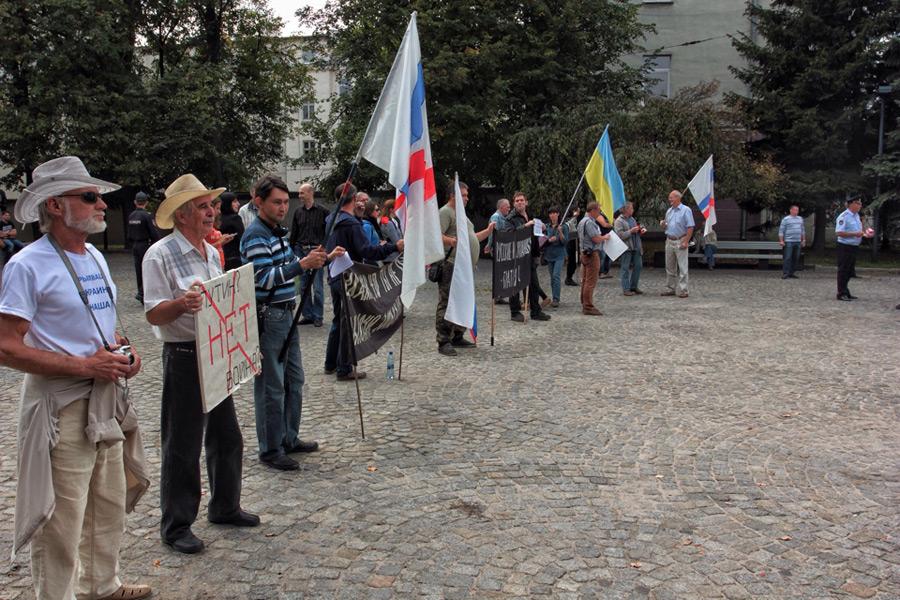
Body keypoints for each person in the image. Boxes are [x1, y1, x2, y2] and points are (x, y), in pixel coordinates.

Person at [0, 156, 150, 600]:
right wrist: (86, 366)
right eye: (89, 197)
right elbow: (6, 347)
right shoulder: (28, 265)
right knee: (61, 519)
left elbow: (95, 328)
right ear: (55, 206)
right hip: (61, 405)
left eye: (98, 196)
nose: (102, 204)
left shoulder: (96, 257)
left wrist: (122, 350)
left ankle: (100, 585)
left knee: (107, 502)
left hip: (103, 396)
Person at [143, 173, 259, 555]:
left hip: (215, 353)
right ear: (181, 215)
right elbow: (154, 313)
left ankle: (225, 506)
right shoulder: (159, 254)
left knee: (227, 436)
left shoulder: (210, 251)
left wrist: (242, 348)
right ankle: (176, 525)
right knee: (182, 443)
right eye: (203, 207)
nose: (212, 212)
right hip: (183, 355)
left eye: (212, 206)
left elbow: (223, 305)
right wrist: (182, 304)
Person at [242, 174, 341, 471]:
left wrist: (319, 259)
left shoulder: (277, 233)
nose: (283, 207)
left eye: (286, 202)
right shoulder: (256, 235)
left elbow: (288, 266)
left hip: (287, 314)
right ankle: (271, 449)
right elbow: (263, 278)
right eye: (277, 202)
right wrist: (301, 265)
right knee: (271, 386)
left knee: (293, 381)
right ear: (259, 202)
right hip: (269, 316)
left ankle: (289, 437)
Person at [325, 183, 403, 380]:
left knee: (339, 320)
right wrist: (394, 247)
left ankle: (331, 363)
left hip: (334, 275)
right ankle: (344, 368)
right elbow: (367, 251)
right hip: (348, 277)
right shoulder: (351, 224)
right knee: (348, 323)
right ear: (353, 199)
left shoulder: (332, 219)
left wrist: (358, 216)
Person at [436, 181, 495, 356]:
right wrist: (451, 241)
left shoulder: (462, 215)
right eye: (463, 195)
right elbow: (436, 235)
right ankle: (443, 340)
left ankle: (458, 335)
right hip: (451, 264)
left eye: (467, 195)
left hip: (464, 267)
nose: (467, 198)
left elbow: (471, 237)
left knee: (462, 300)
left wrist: (488, 231)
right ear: (452, 195)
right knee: (447, 302)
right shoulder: (445, 212)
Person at [500, 191, 551, 322]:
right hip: (516, 256)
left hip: (530, 254)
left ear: (526, 202)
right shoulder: (510, 219)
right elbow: (509, 234)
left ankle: (535, 311)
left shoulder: (531, 215)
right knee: (515, 285)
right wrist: (525, 226)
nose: (519, 202)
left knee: (534, 284)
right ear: (513, 204)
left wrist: (542, 228)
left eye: (522, 200)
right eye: (517, 201)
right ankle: (515, 312)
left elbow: (536, 233)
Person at [289, 182, 329, 327]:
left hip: (317, 250)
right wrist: (292, 251)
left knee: (317, 286)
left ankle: (318, 316)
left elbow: (329, 231)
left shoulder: (323, 211)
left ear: (311, 193)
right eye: (299, 193)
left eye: (302, 192)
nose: (299, 195)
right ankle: (308, 315)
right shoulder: (298, 212)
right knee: (304, 286)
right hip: (301, 250)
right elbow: (294, 232)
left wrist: (324, 247)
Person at [126, 191, 160, 302]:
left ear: (135, 202)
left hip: (135, 245)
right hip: (145, 245)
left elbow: (129, 234)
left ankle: (141, 292)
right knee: (147, 269)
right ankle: (143, 293)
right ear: (146, 202)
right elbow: (153, 233)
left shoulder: (131, 216)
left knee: (138, 270)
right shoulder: (147, 216)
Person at [835, 196, 871, 301]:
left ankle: (846, 291)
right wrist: (855, 234)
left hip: (854, 246)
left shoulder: (856, 216)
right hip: (845, 246)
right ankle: (841, 293)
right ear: (851, 204)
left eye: (860, 204)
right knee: (843, 270)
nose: (860, 206)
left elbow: (858, 230)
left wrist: (865, 234)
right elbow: (839, 232)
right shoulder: (844, 216)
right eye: (857, 203)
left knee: (849, 271)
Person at [660, 190, 694, 298]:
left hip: (680, 240)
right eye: (669, 197)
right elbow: (666, 226)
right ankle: (671, 288)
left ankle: (684, 290)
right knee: (670, 267)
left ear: (678, 198)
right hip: (669, 240)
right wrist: (663, 224)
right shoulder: (669, 211)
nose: (669, 199)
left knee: (682, 267)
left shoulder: (686, 210)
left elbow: (690, 227)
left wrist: (686, 241)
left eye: (671, 197)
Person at [578, 202, 610, 315]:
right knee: (590, 281)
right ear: (593, 210)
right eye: (599, 211)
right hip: (591, 254)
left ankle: (584, 303)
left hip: (584, 253)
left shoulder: (582, 221)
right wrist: (605, 237)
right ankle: (588, 306)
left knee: (585, 280)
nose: (599, 213)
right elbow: (595, 238)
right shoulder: (590, 222)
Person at [614, 201, 644, 296]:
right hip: (626, 248)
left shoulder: (632, 219)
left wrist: (640, 230)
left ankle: (633, 286)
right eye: (631, 208)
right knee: (625, 268)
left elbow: (635, 231)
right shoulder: (619, 221)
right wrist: (631, 231)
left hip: (636, 246)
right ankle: (626, 288)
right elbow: (619, 235)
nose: (633, 210)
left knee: (638, 266)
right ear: (626, 209)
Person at [543, 206, 568, 307]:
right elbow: (543, 240)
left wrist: (560, 232)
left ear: (558, 214)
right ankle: (554, 296)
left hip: (559, 255)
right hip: (549, 254)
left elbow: (565, 242)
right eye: (551, 213)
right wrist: (549, 240)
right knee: (552, 278)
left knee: (556, 276)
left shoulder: (564, 226)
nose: (552, 215)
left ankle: (556, 299)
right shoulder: (547, 226)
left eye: (554, 213)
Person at [488, 198, 510, 303]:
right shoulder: (496, 217)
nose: (509, 209)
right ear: (501, 207)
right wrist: (489, 245)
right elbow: (492, 233)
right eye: (507, 206)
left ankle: (499, 295)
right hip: (497, 249)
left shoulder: (502, 217)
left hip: (501, 249)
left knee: (501, 272)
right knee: (498, 272)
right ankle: (497, 296)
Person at [205, 196, 235, 268]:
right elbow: (204, 250)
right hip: (212, 266)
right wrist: (220, 242)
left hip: (220, 264)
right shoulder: (205, 228)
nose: (219, 212)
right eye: (217, 208)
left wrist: (223, 240)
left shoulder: (214, 226)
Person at [219, 191, 245, 271]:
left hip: (220, 259)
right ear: (228, 203)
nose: (238, 204)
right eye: (234, 201)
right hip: (235, 259)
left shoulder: (217, 219)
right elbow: (242, 239)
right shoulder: (235, 218)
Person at [779, 204, 805, 279]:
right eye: (795, 210)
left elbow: (802, 230)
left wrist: (803, 240)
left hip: (798, 241)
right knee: (788, 257)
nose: (796, 211)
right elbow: (781, 231)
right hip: (789, 241)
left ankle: (791, 272)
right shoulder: (786, 219)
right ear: (791, 210)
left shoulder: (800, 219)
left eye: (797, 210)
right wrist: (781, 241)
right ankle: (786, 273)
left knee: (796, 257)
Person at [564, 207, 581, 286]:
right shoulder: (569, 219)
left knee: (574, 261)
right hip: (571, 242)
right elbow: (569, 225)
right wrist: (574, 216)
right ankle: (568, 278)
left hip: (575, 241)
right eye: (577, 211)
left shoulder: (576, 219)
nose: (578, 213)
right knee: (572, 261)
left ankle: (570, 277)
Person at [597, 209, 613, 279]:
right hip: (602, 237)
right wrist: (611, 224)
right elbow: (604, 224)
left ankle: (606, 271)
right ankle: (600, 272)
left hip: (609, 237)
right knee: (602, 256)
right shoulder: (599, 215)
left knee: (608, 255)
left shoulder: (608, 216)